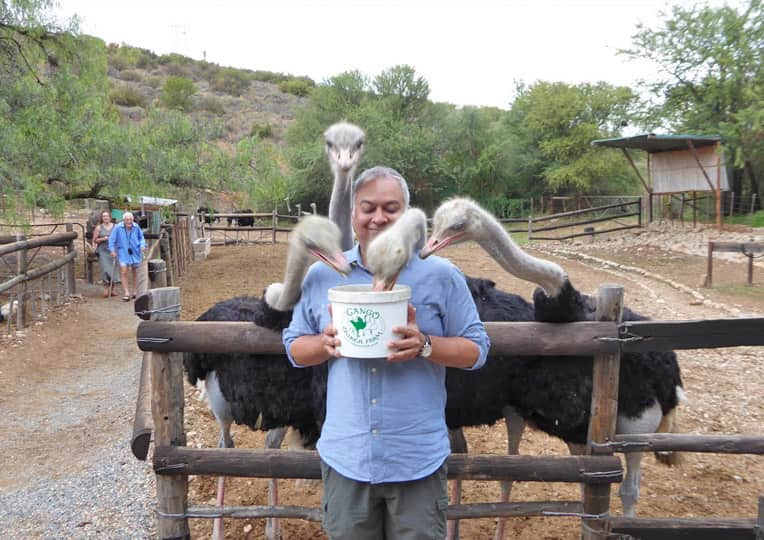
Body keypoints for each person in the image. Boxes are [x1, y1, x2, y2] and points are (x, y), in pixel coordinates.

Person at [283, 166, 490, 540]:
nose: (379, 217)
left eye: (391, 208)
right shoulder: (323, 276)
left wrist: (425, 346)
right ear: (353, 214)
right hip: (348, 460)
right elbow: (295, 348)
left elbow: (477, 349)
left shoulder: (441, 275)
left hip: (416, 461)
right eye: (369, 207)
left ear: (408, 214)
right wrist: (325, 344)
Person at [108, 211, 146, 302]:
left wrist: (142, 245)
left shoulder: (136, 227)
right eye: (127, 220)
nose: (129, 221)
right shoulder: (118, 227)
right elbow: (111, 239)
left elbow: (141, 238)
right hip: (123, 252)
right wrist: (112, 250)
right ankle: (126, 292)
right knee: (124, 271)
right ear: (124, 220)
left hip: (135, 251)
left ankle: (135, 291)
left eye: (131, 220)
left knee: (135, 271)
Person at [91, 210, 121, 297]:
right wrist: (103, 239)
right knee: (105, 270)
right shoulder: (99, 228)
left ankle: (112, 289)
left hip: (113, 250)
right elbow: (95, 240)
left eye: (107, 216)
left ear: (110, 217)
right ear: (102, 218)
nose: (106, 218)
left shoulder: (116, 227)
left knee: (114, 269)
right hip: (103, 250)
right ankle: (106, 288)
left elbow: (120, 238)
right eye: (104, 216)